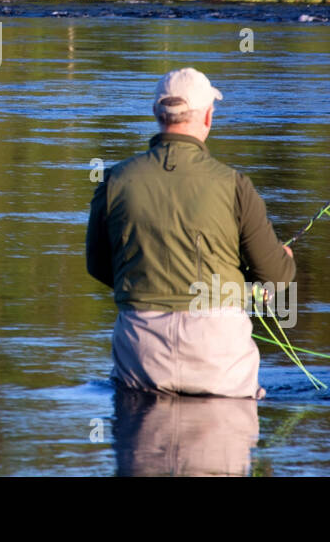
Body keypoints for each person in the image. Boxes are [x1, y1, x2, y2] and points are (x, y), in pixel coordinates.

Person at [85, 67, 295, 400]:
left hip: (142, 350)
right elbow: (276, 280)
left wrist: (147, 279)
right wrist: (281, 261)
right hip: (219, 354)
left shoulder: (114, 181)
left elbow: (97, 265)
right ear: (208, 117)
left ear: (156, 114)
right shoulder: (235, 185)